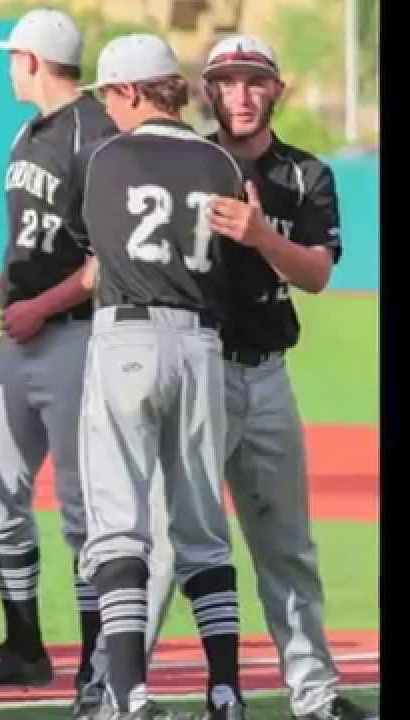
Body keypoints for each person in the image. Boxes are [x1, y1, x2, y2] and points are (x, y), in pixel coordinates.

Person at [140, 34, 377, 720]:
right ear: (206, 92)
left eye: (254, 81)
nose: (241, 95)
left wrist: (259, 234)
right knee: (162, 541)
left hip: (269, 374)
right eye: (227, 81)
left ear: (278, 91)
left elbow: (318, 274)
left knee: (287, 545)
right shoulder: (183, 165)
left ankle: (315, 692)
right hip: (198, 370)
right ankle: (119, 690)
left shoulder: (306, 175)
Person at [0, 10, 114, 720]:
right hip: (20, 333)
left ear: (34, 61)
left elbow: (107, 259)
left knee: (83, 511)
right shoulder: (28, 133)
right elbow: (28, 242)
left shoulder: (93, 135)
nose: (8, 66)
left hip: (75, 338)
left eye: (14, 56)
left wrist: (43, 305)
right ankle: (24, 646)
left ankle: (100, 665)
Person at [73, 33, 247, 720]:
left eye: (111, 95)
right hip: (202, 343)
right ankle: (225, 688)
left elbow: (91, 244)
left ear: (132, 90)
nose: (109, 109)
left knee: (118, 528)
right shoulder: (220, 162)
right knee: (203, 531)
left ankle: (126, 688)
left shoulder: (106, 155)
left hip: (127, 336)